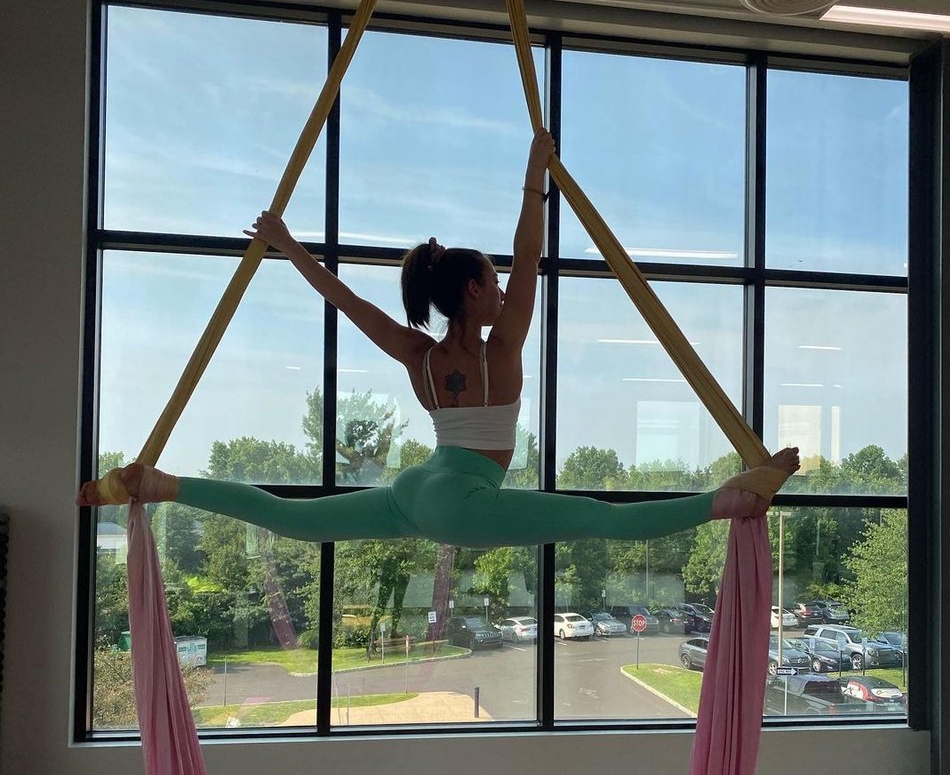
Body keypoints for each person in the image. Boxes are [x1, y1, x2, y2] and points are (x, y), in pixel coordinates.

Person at [77, 128, 800, 541]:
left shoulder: (419, 355)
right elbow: (530, 256)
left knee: (288, 518)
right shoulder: (501, 348)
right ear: (477, 291)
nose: (509, 286)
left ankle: (158, 484)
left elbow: (345, 299)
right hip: (459, 500)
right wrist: (532, 178)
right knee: (594, 520)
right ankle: (731, 499)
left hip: (417, 488)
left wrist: (288, 246)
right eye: (496, 279)